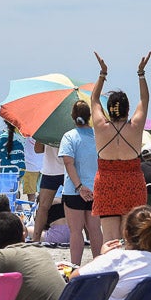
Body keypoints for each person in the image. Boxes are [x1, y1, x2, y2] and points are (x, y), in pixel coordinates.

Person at [89, 51, 151, 243]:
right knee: (134, 236)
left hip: (106, 181)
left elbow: (94, 99)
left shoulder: (101, 126)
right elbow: (144, 100)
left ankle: (111, 270)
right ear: (127, 108)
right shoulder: (135, 127)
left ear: (109, 109)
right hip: (132, 180)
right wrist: (141, 74)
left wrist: (102, 74)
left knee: (109, 238)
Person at [59, 100, 103, 266]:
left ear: (73, 117)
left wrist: (79, 187)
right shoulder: (98, 136)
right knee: (95, 230)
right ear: (89, 117)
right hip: (94, 189)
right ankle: (99, 265)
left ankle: (75, 267)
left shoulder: (69, 136)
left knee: (76, 232)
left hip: (74, 190)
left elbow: (68, 163)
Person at [31, 136, 66, 243]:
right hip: (67, 170)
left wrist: (42, 136)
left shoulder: (46, 127)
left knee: (43, 207)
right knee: (79, 206)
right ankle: (88, 238)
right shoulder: (71, 126)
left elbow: (38, 149)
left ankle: (35, 239)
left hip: (51, 171)